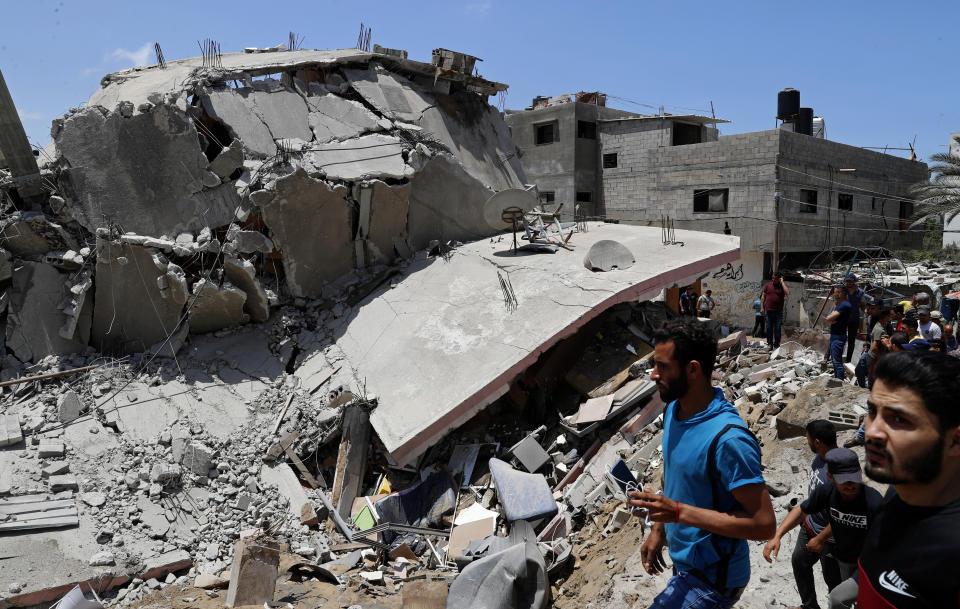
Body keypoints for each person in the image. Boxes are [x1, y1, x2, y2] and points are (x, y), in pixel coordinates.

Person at [629, 317, 775, 609]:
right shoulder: (674, 410)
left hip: (715, 579)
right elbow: (675, 480)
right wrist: (658, 530)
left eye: (663, 367)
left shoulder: (729, 440)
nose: (653, 375)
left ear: (692, 369)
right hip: (686, 565)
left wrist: (679, 512)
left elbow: (764, 525)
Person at [858, 351, 960, 607]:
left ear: (955, 440)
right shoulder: (897, 493)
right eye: (872, 411)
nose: (873, 432)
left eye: (899, 419)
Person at [762, 420, 842, 609]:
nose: (806, 442)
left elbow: (843, 516)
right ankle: (809, 606)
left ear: (817, 442)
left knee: (834, 584)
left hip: (831, 540)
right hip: (809, 526)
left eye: (807, 439)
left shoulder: (839, 472)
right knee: (799, 563)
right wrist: (778, 534)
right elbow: (807, 505)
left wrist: (821, 538)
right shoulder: (818, 459)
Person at [856, 307, 891, 389]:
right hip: (873, 358)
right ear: (885, 317)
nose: (890, 317)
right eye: (889, 316)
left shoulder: (879, 326)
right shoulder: (880, 330)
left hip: (873, 358)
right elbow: (874, 348)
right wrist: (880, 358)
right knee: (872, 379)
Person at [826, 286, 851, 380]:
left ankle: (839, 383)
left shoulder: (844, 305)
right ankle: (837, 381)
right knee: (834, 361)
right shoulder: (840, 304)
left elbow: (829, 318)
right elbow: (830, 317)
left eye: (836, 292)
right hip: (835, 336)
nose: (834, 294)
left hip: (838, 337)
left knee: (837, 362)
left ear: (841, 293)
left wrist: (831, 318)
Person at [762, 271, 790, 349]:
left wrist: (782, 282)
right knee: (769, 328)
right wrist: (761, 308)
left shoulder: (782, 286)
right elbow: (763, 297)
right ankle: (769, 344)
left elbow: (787, 293)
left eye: (775, 278)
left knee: (777, 329)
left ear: (779, 279)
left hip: (778, 312)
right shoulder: (768, 285)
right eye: (772, 278)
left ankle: (776, 345)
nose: (773, 279)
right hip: (769, 311)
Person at [843, 274, 865, 363]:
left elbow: (863, 305)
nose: (848, 283)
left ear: (854, 281)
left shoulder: (860, 292)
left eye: (850, 281)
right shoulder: (843, 290)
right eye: (847, 281)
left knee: (851, 341)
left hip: (854, 319)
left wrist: (866, 314)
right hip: (843, 318)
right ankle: (830, 357)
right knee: (839, 338)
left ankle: (848, 360)